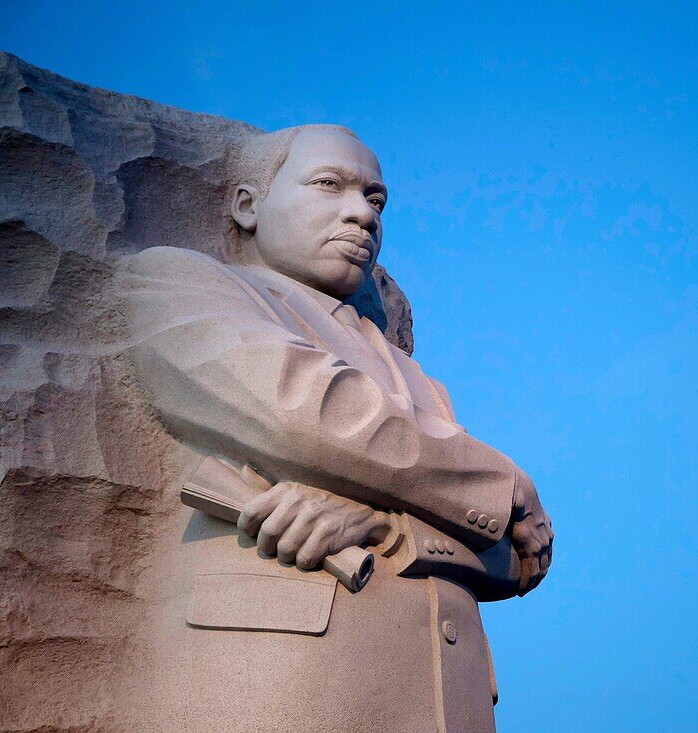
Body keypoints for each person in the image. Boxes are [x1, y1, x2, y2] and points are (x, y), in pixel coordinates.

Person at [117, 124, 552, 732]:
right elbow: (305, 414)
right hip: (282, 674)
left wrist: (388, 525)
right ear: (247, 206)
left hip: (447, 697)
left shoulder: (419, 383)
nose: (363, 216)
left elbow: (521, 559)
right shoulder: (180, 282)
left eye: (375, 200)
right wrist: (502, 480)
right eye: (329, 185)